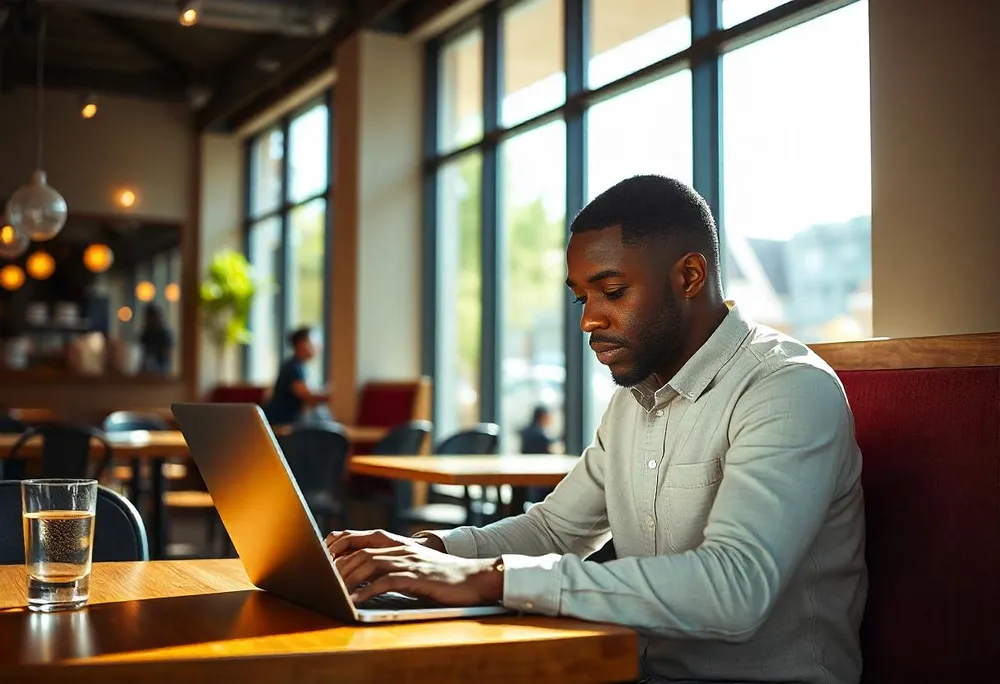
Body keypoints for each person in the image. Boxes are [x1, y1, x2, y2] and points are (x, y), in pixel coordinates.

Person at [325, 176, 867, 684]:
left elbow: (734, 588)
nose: (589, 319)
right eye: (583, 298)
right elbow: (555, 532)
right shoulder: (634, 398)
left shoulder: (786, 388)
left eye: (612, 291)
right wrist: (419, 552)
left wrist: (489, 576)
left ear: (689, 277)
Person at [264, 327, 330, 425]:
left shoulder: (298, 366)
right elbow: (307, 396)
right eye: (312, 343)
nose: (316, 347)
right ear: (300, 344)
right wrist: (327, 394)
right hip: (280, 423)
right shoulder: (294, 367)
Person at [139, 303, 173, 374]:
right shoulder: (146, 334)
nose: (149, 320)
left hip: (161, 369)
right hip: (146, 371)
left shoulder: (164, 334)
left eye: (151, 317)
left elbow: (167, 353)